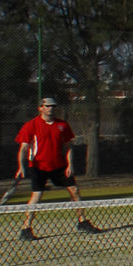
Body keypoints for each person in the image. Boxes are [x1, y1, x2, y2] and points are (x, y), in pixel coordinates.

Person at [15, 97, 98, 239]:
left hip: (59, 166)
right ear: (40, 108)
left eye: (53, 106)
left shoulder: (62, 125)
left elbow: (68, 147)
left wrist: (70, 165)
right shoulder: (31, 125)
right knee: (36, 196)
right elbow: (23, 148)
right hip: (38, 167)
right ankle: (26, 228)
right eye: (47, 106)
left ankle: (82, 221)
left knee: (75, 191)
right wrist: (21, 167)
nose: (50, 108)